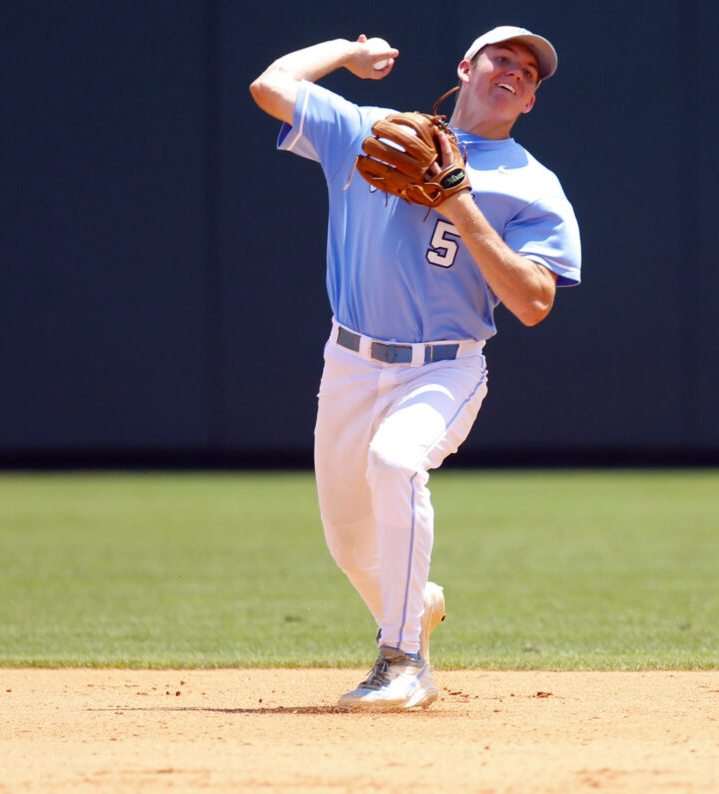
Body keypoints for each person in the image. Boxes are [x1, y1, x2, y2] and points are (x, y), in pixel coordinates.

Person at [249, 26, 582, 710]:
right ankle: (416, 605)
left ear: (530, 104)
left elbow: (534, 302)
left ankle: (402, 661)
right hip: (348, 361)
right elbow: (271, 86)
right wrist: (346, 51)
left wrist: (458, 199)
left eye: (530, 74)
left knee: (397, 462)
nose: (515, 73)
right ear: (467, 67)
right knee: (349, 547)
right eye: (502, 58)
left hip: (444, 367)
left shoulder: (531, 184)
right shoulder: (375, 131)